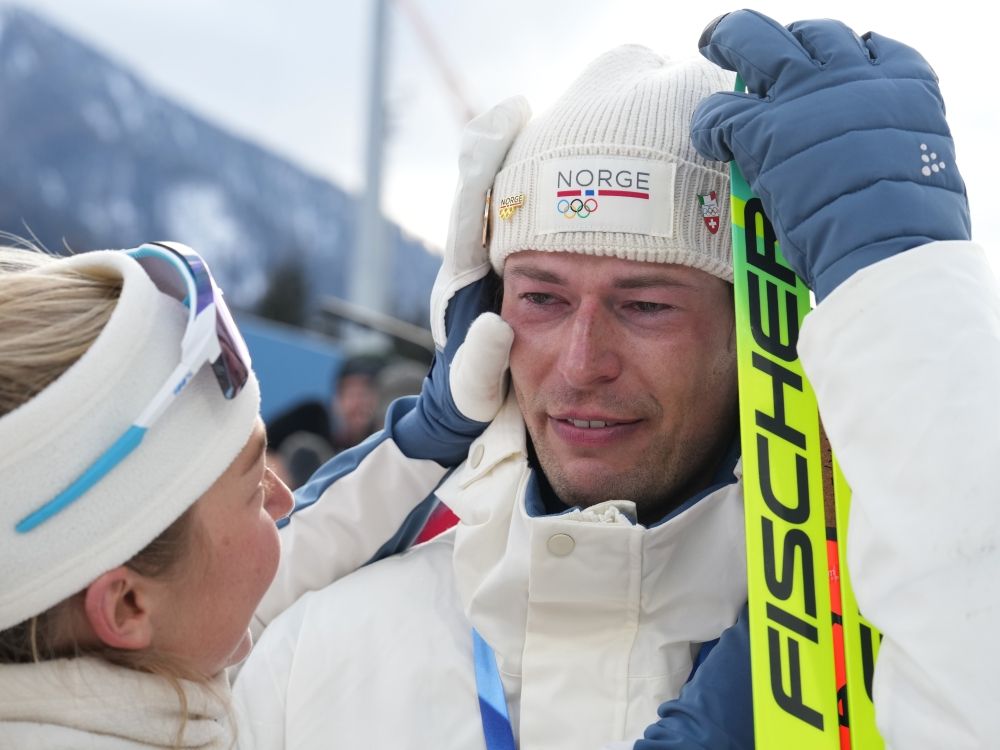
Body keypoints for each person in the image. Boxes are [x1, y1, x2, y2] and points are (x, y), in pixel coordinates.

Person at [234, 10, 999, 750]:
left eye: (645, 305)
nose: (580, 361)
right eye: (541, 298)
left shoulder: (906, 643)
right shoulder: (315, 656)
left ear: (760, 334)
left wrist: (907, 300)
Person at [0, 239, 509, 748]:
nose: (286, 501)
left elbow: (263, 569)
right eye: (253, 490)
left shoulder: (144, 652)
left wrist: (425, 438)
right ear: (126, 606)